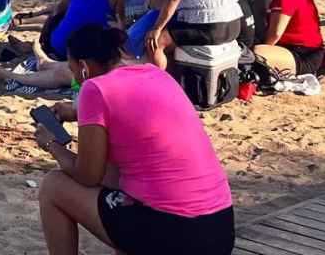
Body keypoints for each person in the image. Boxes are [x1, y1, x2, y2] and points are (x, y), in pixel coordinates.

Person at [34, 24, 235, 255]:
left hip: (176, 231)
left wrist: (52, 144)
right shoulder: (157, 74)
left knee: (53, 186)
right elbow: (130, 120)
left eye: (73, 70)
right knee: (124, 188)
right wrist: (80, 113)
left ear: (83, 67)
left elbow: (87, 177)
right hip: (219, 231)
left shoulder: (93, 89)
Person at [253, 0, 324, 77]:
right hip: (305, 51)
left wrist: (264, 48)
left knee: (255, 54)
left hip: (302, 55)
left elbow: (275, 34)